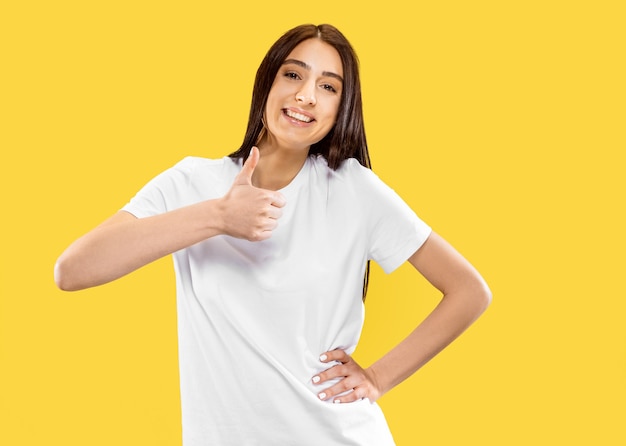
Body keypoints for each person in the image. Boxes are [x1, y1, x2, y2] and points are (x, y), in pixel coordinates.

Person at [55, 24, 491, 446]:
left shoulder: (352, 189)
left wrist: (378, 378)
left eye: (328, 86)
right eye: (294, 74)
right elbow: (73, 270)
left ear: (341, 108)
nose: (305, 95)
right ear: (267, 82)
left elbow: (470, 291)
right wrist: (218, 216)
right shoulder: (191, 182)